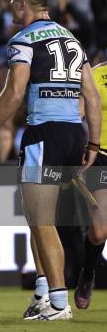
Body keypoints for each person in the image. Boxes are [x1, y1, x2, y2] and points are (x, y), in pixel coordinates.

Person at [0, 0, 101, 321]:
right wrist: (92, 141)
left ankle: (59, 304)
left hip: (44, 134)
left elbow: (15, 92)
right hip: (73, 134)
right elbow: (90, 96)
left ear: (22, 3)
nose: (9, 5)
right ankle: (44, 293)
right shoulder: (73, 40)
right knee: (38, 220)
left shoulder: (23, 40)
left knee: (42, 221)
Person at [73, 57, 107, 309]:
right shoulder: (94, 75)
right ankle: (87, 275)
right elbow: (78, 113)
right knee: (99, 232)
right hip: (102, 156)